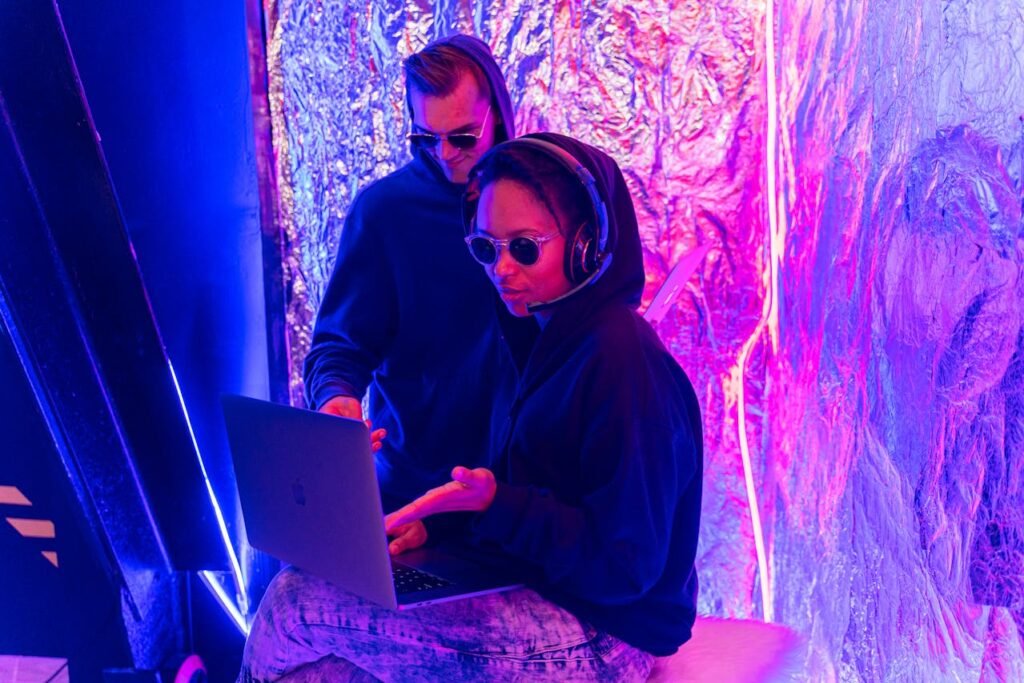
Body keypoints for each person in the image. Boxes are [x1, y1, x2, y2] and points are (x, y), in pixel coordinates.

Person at [238, 133, 703, 682]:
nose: (501, 268)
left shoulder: (621, 359)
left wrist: (496, 505)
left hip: (608, 634)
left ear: (585, 245)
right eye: (486, 248)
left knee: (295, 603)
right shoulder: (543, 340)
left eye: (524, 247)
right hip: (540, 590)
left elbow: (627, 567)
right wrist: (442, 533)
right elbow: (542, 500)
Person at [302, 34, 535, 529]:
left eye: (464, 137)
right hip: (414, 495)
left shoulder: (541, 198)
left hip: (521, 497)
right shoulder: (384, 213)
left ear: (497, 111)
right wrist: (336, 397)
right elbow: (339, 345)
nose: (446, 153)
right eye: (426, 138)